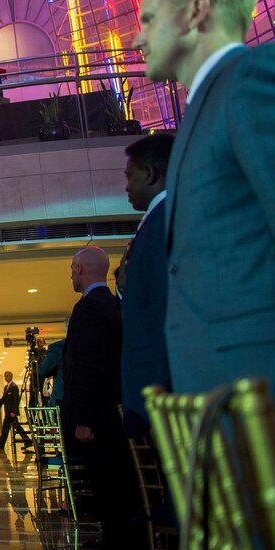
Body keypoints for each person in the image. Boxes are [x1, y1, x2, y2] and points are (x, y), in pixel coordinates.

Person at [134, 0, 275, 424]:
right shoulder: (205, 107)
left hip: (266, 392)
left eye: (149, 18)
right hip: (223, 395)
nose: (139, 37)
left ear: (197, 11)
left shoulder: (252, 78)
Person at [62, 246, 138, 550]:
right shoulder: (115, 305)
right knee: (119, 489)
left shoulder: (89, 308)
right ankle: (117, 541)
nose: (70, 274)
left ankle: (115, 549)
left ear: (80, 268)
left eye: (71, 268)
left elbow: (90, 366)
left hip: (99, 421)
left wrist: (84, 419)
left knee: (107, 490)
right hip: (115, 416)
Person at [117, 133, 175, 437]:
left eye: (130, 176)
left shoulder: (164, 221)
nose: (126, 186)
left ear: (150, 173)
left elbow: (167, 311)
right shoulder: (154, 223)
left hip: (163, 390)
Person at [0, 371, 32, 449]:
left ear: (11, 376)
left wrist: (13, 411)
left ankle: (1, 444)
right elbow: (3, 399)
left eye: (7, 376)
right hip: (8, 412)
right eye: (5, 376)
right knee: (10, 427)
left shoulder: (14, 387)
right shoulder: (6, 387)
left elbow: (15, 400)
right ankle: (27, 441)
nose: (5, 378)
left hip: (11, 413)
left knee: (9, 428)